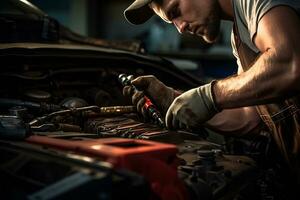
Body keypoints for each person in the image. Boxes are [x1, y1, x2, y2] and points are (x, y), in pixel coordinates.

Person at [123, 0, 300, 188]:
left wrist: (210, 95)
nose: (180, 28)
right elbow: (249, 117)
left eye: (176, 11)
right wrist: (173, 100)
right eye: (171, 22)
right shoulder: (240, 35)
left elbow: (289, 64)